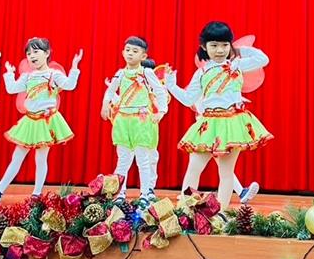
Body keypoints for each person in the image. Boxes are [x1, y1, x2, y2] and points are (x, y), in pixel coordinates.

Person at [165, 21, 271, 212]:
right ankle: (185, 209)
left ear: (230, 45)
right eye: (214, 45)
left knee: (226, 172)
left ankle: (221, 212)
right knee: (194, 167)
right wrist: (171, 86)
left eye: (224, 45)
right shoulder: (201, 72)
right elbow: (188, 98)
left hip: (232, 124)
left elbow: (263, 59)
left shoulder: (237, 65)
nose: (220, 50)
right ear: (204, 46)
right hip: (208, 124)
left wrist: (239, 50)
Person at [0, 38, 82, 200]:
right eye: (28, 53)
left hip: (46, 121)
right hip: (30, 121)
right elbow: (12, 89)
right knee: (17, 156)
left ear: (46, 53)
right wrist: (9, 73)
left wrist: (74, 67)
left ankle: (36, 193)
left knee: (40, 158)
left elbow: (70, 85)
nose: (31, 55)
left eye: (35, 51)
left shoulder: (53, 74)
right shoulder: (27, 77)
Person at [101, 38, 168, 205]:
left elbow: (160, 91)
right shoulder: (120, 73)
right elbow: (110, 92)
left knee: (143, 159)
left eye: (135, 51)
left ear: (143, 56)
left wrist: (161, 111)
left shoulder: (146, 73)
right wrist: (105, 104)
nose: (130, 53)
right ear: (123, 52)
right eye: (128, 50)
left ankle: (145, 193)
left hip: (141, 121)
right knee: (122, 159)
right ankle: (120, 193)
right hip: (123, 121)